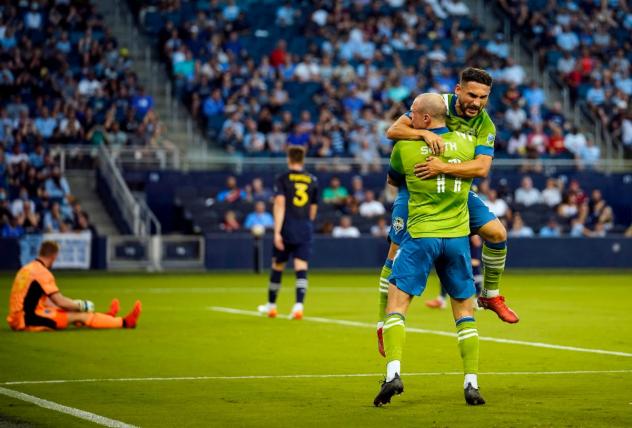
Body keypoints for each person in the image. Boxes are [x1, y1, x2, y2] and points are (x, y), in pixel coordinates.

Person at [382, 68, 517, 345]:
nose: (477, 103)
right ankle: (383, 323)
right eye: (472, 95)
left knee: (498, 234)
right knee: (395, 248)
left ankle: (490, 295)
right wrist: (423, 135)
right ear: (457, 90)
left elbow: (481, 168)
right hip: (418, 187)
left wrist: (443, 166)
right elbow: (393, 130)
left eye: (483, 97)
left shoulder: (485, 124)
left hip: (454, 188)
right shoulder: (435, 105)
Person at [374, 93, 485, 407]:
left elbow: (393, 181)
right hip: (457, 238)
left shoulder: (404, 148)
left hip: (421, 236)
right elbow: (479, 168)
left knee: (396, 305)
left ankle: (393, 372)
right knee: (465, 313)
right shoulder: (466, 145)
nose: (409, 117)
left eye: (412, 113)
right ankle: (471, 383)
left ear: (423, 119)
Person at [7, 241, 141, 331]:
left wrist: (74, 306)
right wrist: (81, 306)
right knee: (81, 315)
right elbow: (59, 301)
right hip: (27, 320)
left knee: (70, 310)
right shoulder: (43, 273)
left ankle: (106, 318)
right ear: (54, 256)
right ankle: (125, 322)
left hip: (19, 316)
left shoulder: (26, 268)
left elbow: (44, 300)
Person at [257, 147, 318, 320]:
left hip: (287, 227)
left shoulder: (282, 178)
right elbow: (313, 211)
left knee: (278, 265)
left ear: (289, 159)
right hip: (305, 227)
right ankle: (298, 306)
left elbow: (280, 204)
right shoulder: (312, 179)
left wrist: (277, 232)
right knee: (301, 267)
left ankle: (271, 306)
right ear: (303, 159)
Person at [425, 235, 483, 309]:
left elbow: (476, 262)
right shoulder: (465, 242)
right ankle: (441, 300)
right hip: (463, 269)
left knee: (475, 282)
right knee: (446, 276)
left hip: (473, 274)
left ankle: (478, 301)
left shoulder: (475, 245)